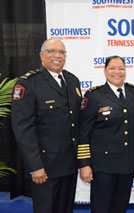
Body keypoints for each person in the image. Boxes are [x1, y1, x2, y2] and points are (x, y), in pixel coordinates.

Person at [11, 38, 82, 213]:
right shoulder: (28, 83)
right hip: (45, 167)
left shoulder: (72, 81)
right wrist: (35, 166)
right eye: (51, 51)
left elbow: (75, 122)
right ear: (42, 55)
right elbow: (23, 129)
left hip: (69, 164)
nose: (57, 56)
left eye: (61, 52)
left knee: (65, 209)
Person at [78, 56, 134, 213]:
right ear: (105, 70)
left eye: (121, 68)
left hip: (128, 162)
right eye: (113, 68)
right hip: (103, 165)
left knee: (120, 207)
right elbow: (83, 132)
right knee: (101, 207)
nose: (117, 72)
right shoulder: (93, 96)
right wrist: (84, 164)